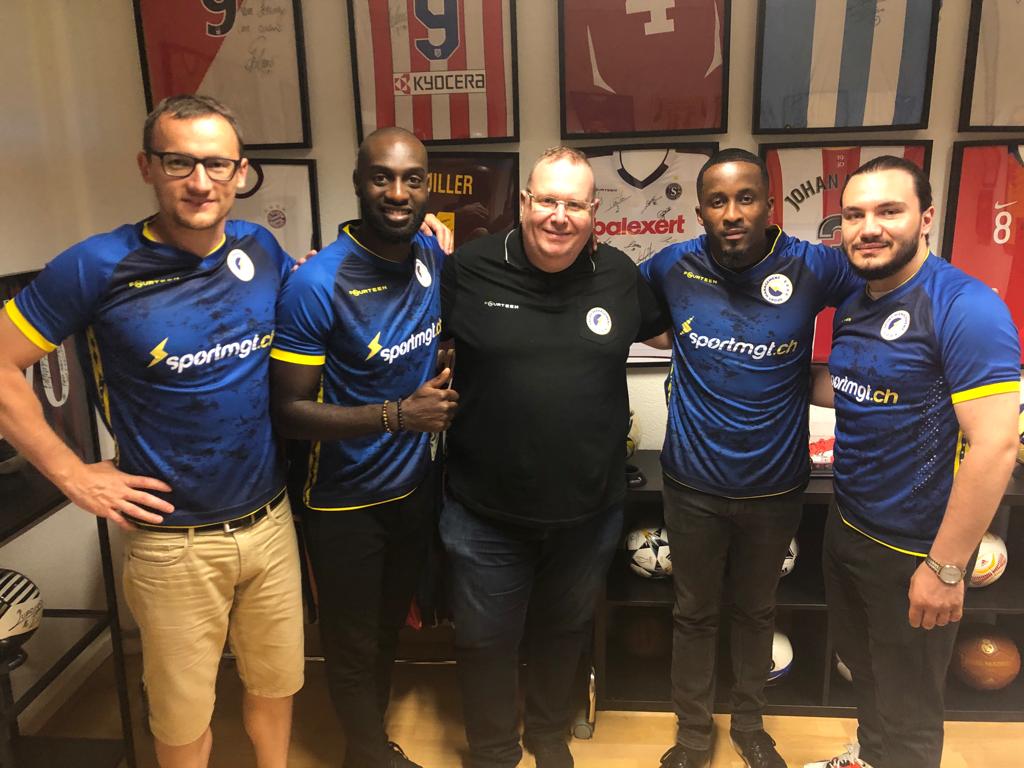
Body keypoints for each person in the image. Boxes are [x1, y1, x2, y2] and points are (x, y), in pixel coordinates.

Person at [0, 94, 305, 768]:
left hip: (270, 521)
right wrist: (71, 473)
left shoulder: (258, 247)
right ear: (147, 166)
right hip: (174, 542)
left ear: (241, 172)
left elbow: (309, 310)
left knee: (276, 687)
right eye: (179, 163)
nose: (200, 182)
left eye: (217, 164)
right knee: (183, 718)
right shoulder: (97, 264)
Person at [438, 146, 666, 768]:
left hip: (588, 508)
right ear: (524, 203)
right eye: (547, 201)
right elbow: (404, 328)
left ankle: (547, 734)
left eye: (574, 204)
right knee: (484, 640)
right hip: (484, 508)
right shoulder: (470, 267)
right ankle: (492, 750)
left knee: (563, 631)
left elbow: (676, 331)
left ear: (594, 212)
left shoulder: (618, 273)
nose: (559, 216)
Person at [639, 148, 863, 768]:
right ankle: (692, 734)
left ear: (769, 205)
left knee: (756, 610)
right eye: (718, 201)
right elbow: (612, 298)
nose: (732, 213)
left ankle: (749, 725)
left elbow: (882, 289)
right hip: (691, 484)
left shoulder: (813, 265)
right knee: (693, 612)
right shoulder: (673, 265)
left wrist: (852, 366)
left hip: (774, 485)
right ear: (701, 212)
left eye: (745, 199)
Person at [805, 156, 1020, 768]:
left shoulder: (965, 306)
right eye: (854, 215)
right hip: (849, 525)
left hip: (916, 547)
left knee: (910, 705)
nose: (868, 228)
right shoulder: (857, 300)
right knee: (866, 672)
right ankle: (870, 756)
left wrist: (946, 567)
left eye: (889, 211)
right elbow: (852, 386)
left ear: (926, 218)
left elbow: (996, 444)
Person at [269, 127, 457, 768]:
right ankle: (372, 755)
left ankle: (365, 746)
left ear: (428, 188)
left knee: (385, 628)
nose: (397, 193)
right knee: (351, 641)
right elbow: (288, 411)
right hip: (343, 500)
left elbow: (437, 337)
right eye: (382, 177)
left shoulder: (430, 253)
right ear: (358, 183)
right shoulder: (317, 283)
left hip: (413, 489)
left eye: (412, 179)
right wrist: (399, 415)